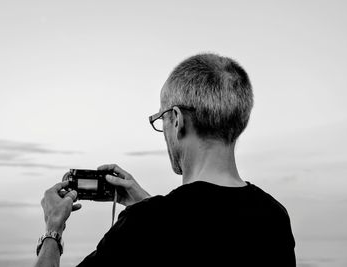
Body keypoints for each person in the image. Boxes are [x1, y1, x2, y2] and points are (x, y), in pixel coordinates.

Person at [34, 53, 296, 266]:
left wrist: (52, 231)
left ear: (178, 119)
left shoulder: (145, 225)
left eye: (162, 119)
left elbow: (174, 228)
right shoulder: (274, 217)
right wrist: (148, 204)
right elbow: (203, 232)